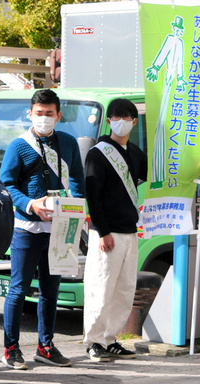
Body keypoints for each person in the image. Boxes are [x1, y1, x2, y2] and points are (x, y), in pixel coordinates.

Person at [0, 89, 85, 370]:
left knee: (51, 290)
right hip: (26, 228)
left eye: (50, 114)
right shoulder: (18, 146)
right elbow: (7, 185)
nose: (44, 118)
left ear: (58, 115)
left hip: (61, 228)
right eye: (39, 113)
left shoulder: (69, 143)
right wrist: (30, 205)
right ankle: (10, 348)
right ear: (30, 114)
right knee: (18, 288)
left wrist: (82, 211)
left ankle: (45, 346)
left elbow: (79, 181)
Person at [83, 99, 147, 362]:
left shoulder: (136, 152)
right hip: (107, 233)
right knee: (101, 287)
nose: (122, 121)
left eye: (127, 117)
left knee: (124, 289)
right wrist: (102, 230)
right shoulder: (98, 153)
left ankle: (111, 339)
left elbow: (141, 184)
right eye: (117, 117)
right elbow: (93, 195)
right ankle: (93, 341)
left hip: (130, 230)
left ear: (134, 121)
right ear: (109, 121)